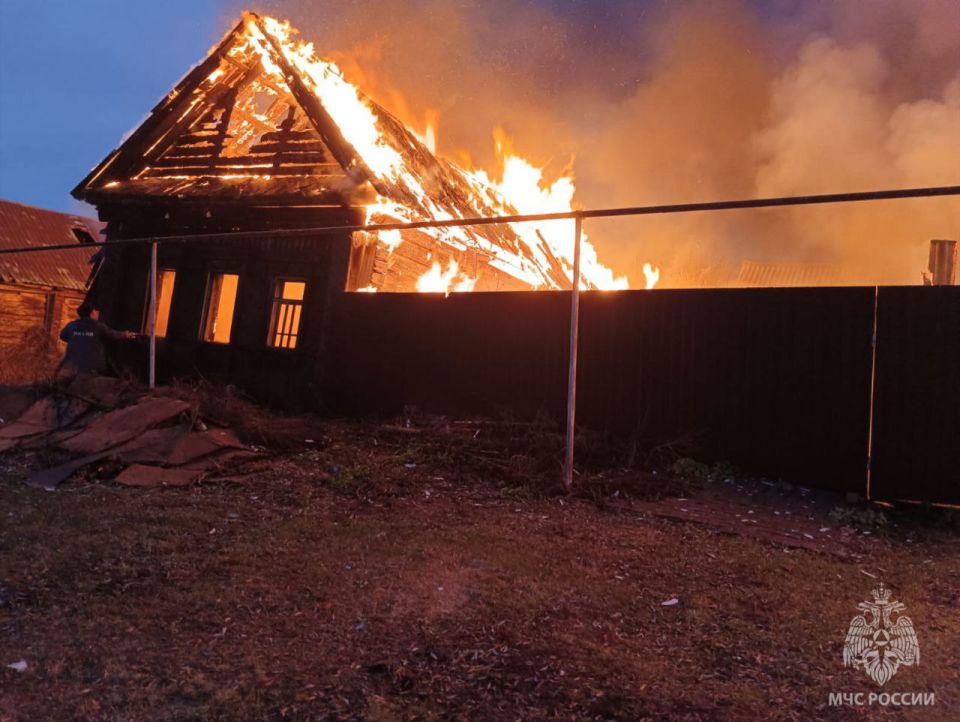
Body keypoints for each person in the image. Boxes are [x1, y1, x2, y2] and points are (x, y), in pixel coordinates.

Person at [58, 304, 136, 376]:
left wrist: (77, 339)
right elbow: (112, 334)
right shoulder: (97, 326)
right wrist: (125, 334)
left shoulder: (73, 325)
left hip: (73, 363)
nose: (98, 313)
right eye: (96, 311)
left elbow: (63, 336)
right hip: (93, 364)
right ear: (91, 313)